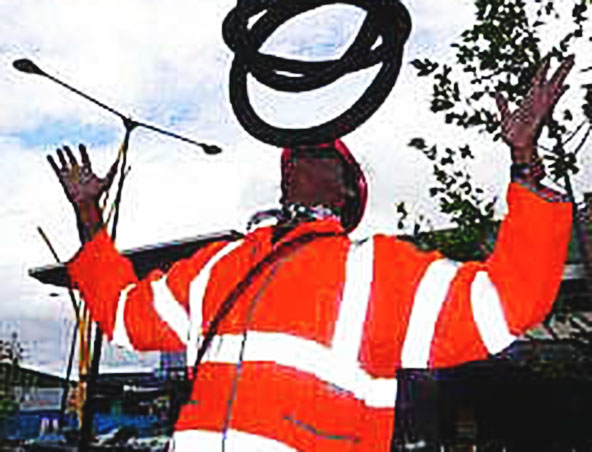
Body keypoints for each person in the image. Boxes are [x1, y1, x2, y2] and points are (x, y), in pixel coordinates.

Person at [48, 56, 575, 451]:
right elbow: (124, 315)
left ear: (347, 190)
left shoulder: (378, 269)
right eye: (291, 152)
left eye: (315, 152)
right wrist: (89, 217)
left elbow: (509, 301)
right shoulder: (218, 266)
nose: (294, 158)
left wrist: (525, 163)